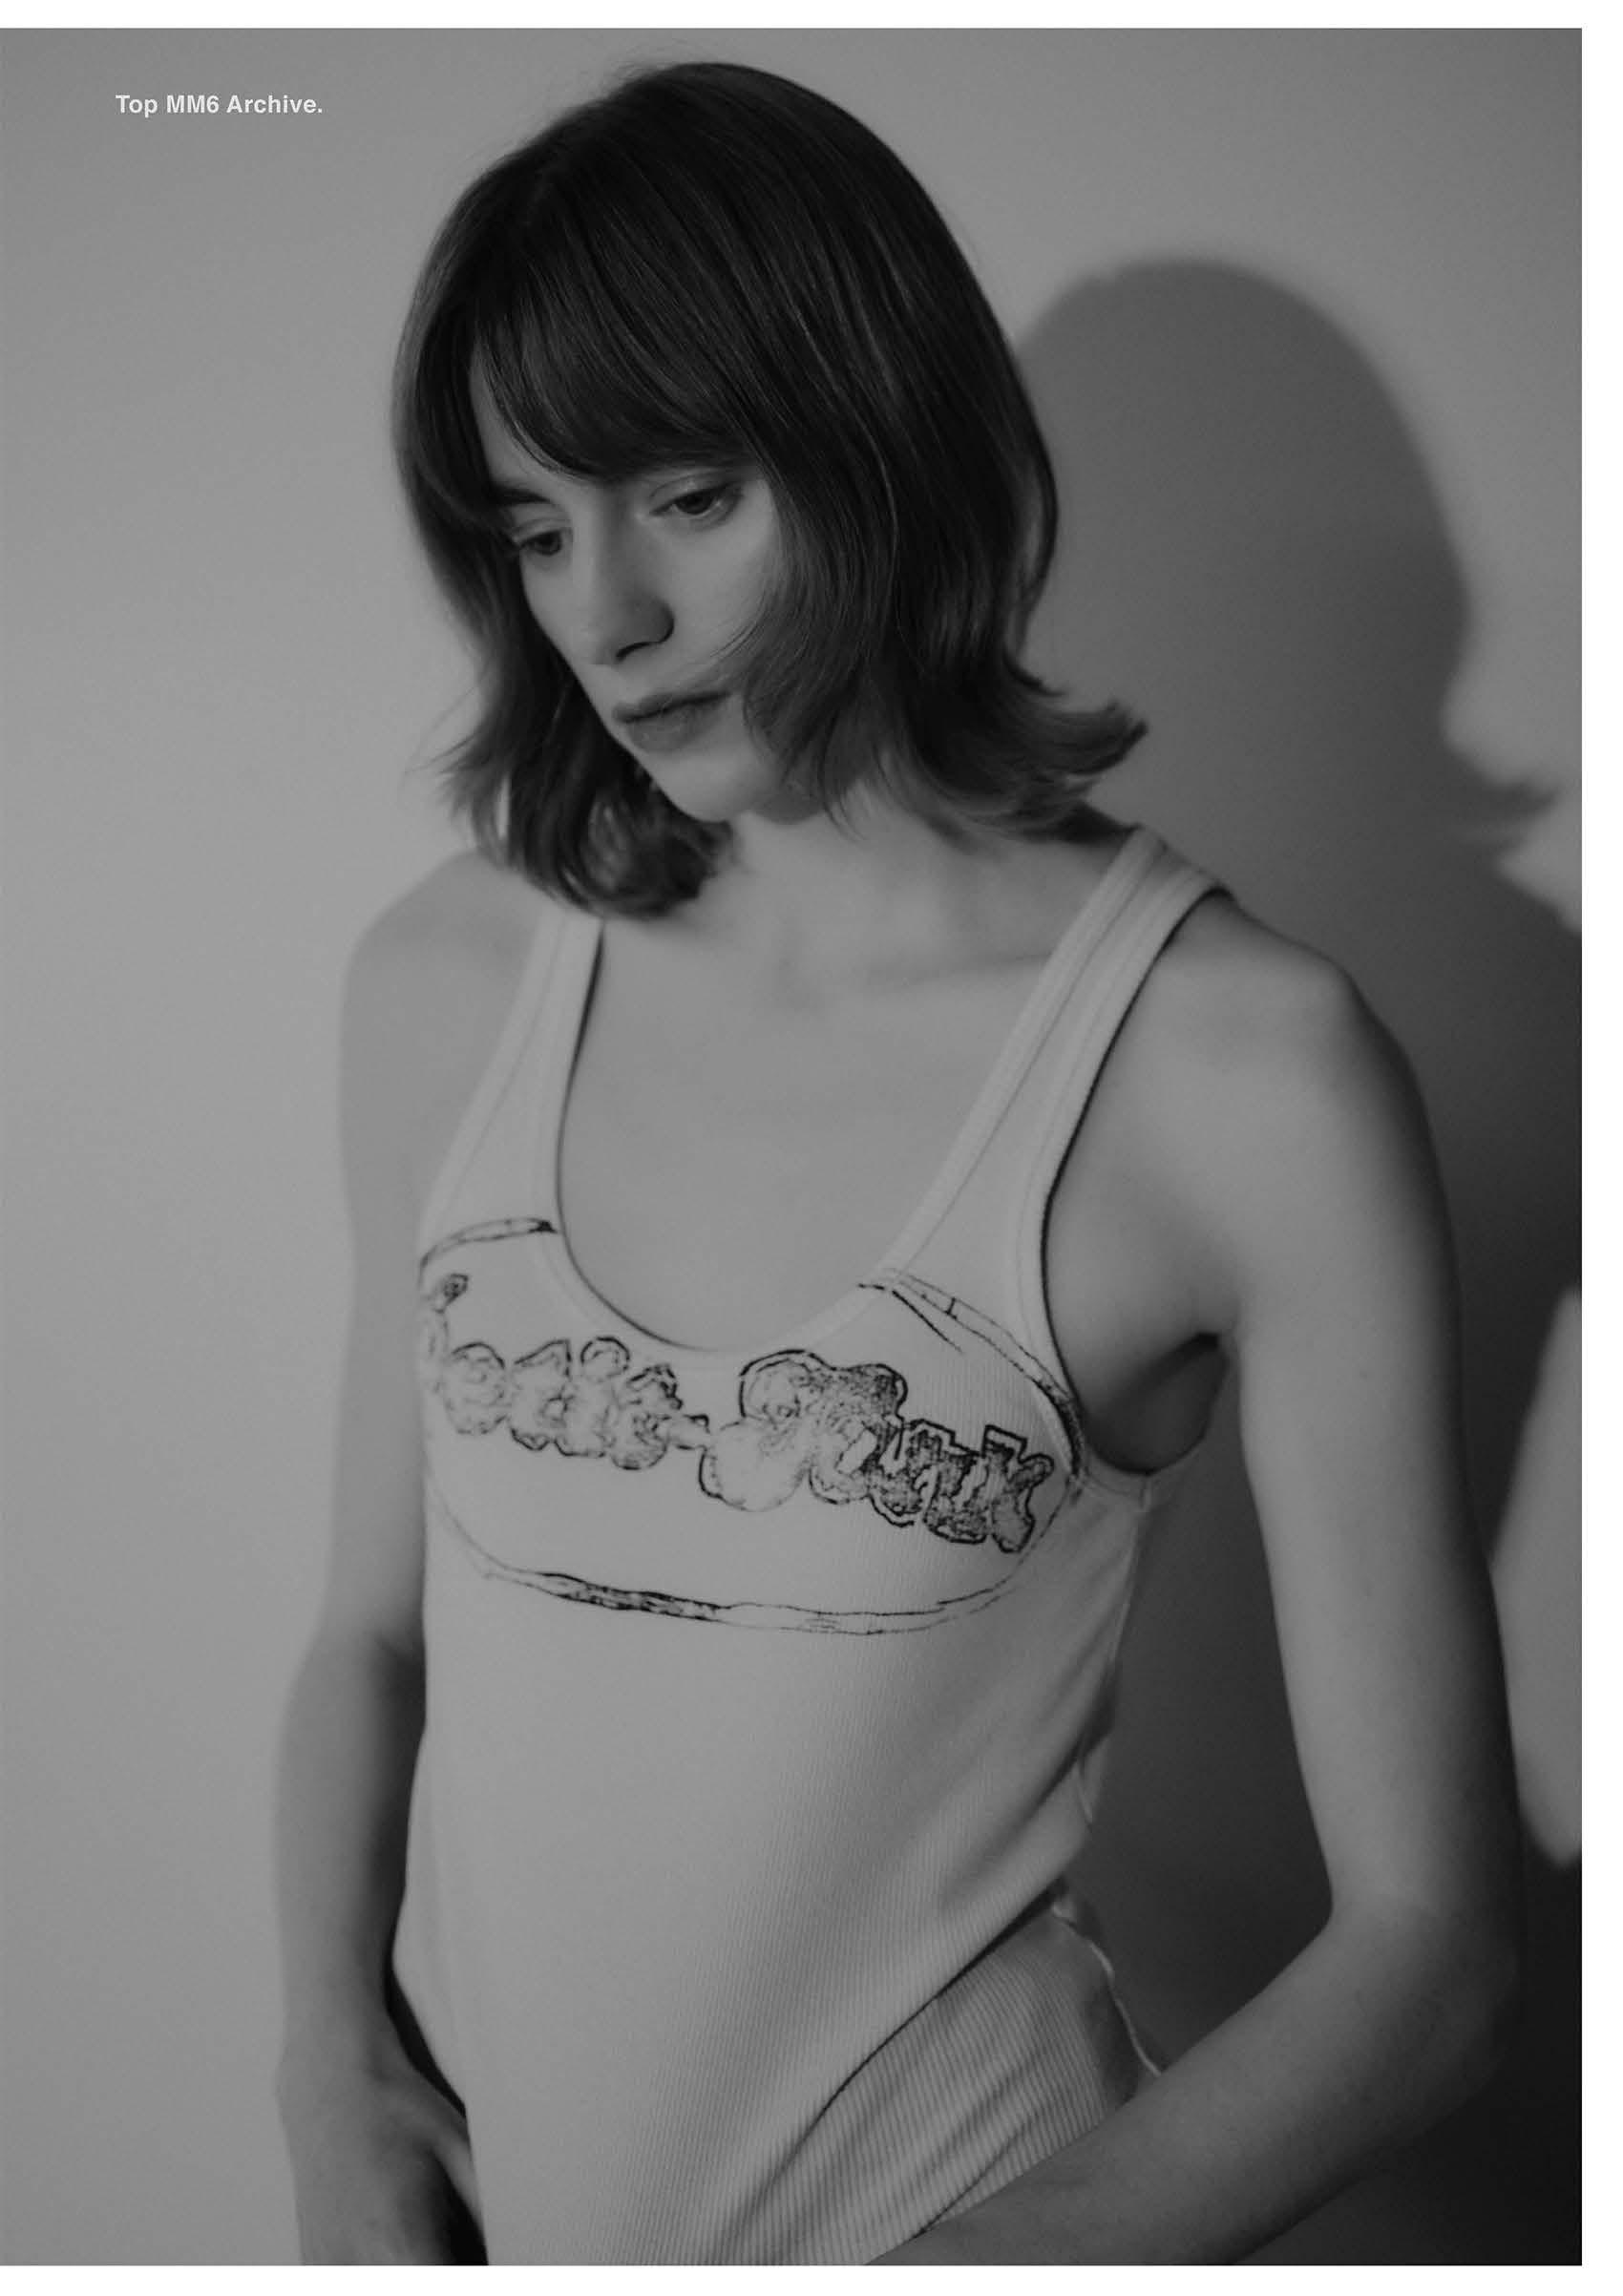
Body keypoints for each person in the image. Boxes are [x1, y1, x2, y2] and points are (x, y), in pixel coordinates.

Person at [273, 59, 1521, 2265]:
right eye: (535, 527)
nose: (605, 616)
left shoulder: (1236, 1074)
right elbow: (372, 1634)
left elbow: (1430, 1954)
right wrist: (332, 2089)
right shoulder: (450, 983)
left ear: (887, 449)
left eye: (688, 494)